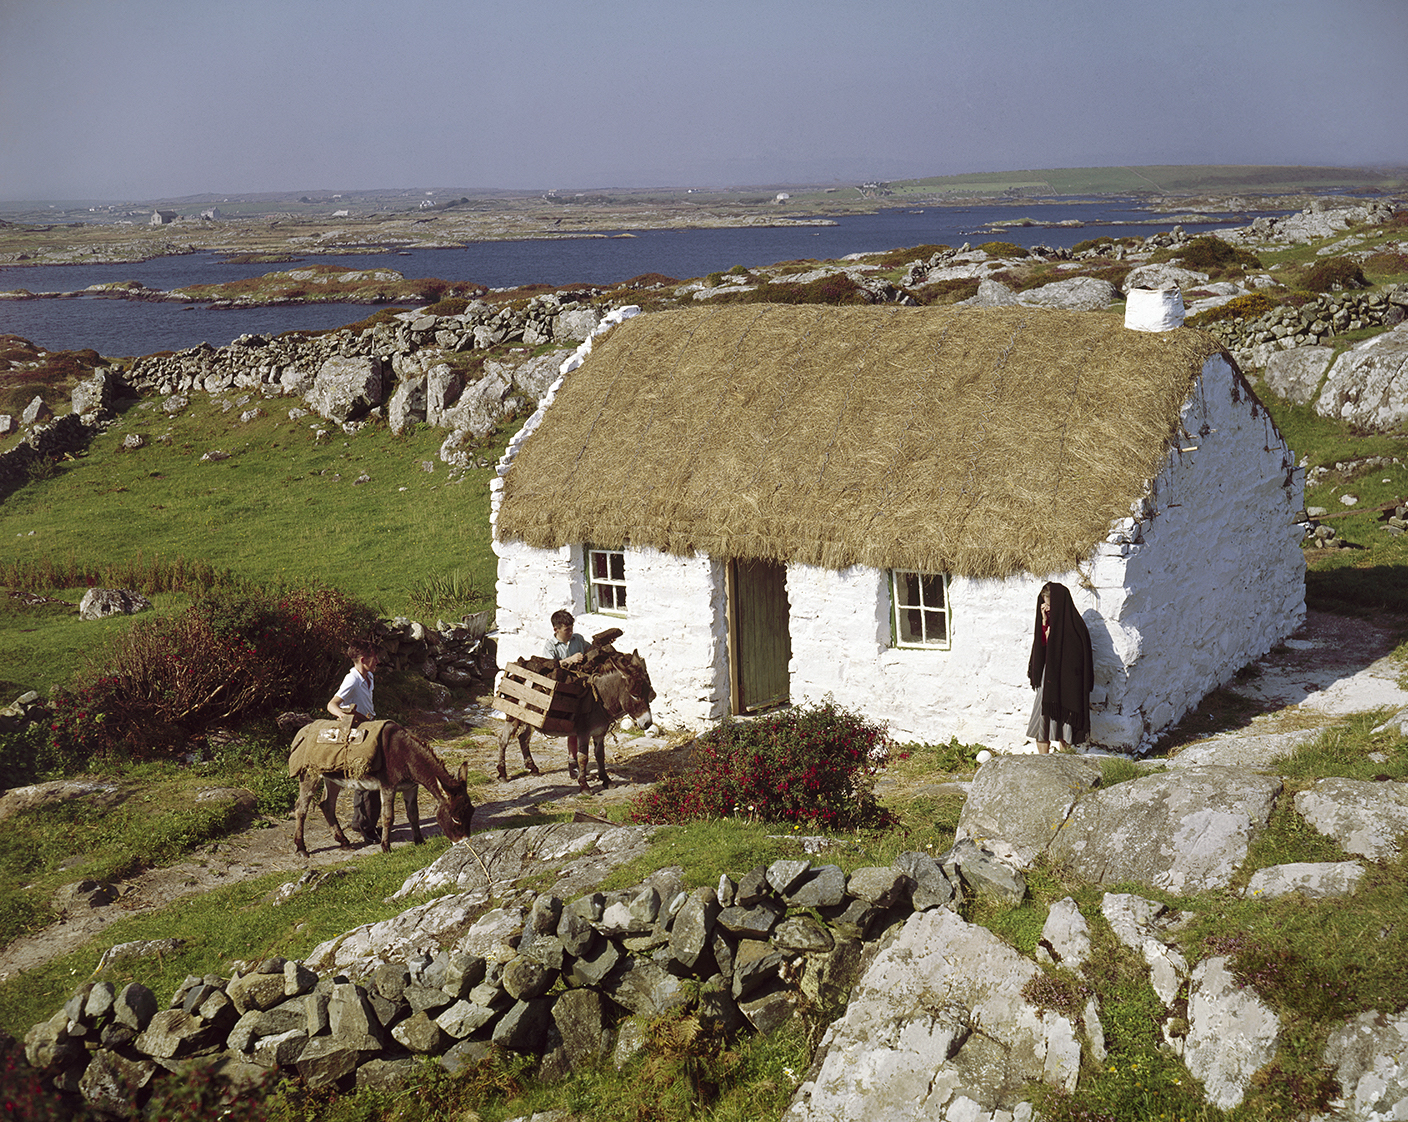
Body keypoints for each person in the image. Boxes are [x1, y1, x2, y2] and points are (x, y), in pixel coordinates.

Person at [1026, 582, 1094, 754]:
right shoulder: (1047, 622)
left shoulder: (1075, 626)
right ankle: (1043, 764)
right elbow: (1041, 652)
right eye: (1044, 604)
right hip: (1048, 681)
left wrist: (1053, 637)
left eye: (1049, 605)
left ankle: (1063, 767)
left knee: (1065, 728)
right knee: (1041, 721)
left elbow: (1075, 659)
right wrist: (1044, 625)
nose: (1046, 608)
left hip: (1067, 686)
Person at [327, 641, 381, 844]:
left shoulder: (369, 677)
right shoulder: (352, 679)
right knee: (369, 778)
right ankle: (367, 828)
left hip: (370, 727)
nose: (377, 661)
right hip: (359, 732)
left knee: (368, 775)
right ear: (362, 659)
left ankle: (360, 822)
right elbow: (332, 704)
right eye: (374, 657)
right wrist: (343, 716)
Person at [543, 610, 588, 779]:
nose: (570, 632)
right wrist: (569, 660)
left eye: (571, 628)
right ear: (556, 629)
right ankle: (572, 760)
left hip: (581, 685)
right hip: (564, 690)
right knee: (573, 724)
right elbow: (548, 668)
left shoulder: (579, 639)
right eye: (566, 630)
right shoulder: (550, 646)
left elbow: (590, 652)